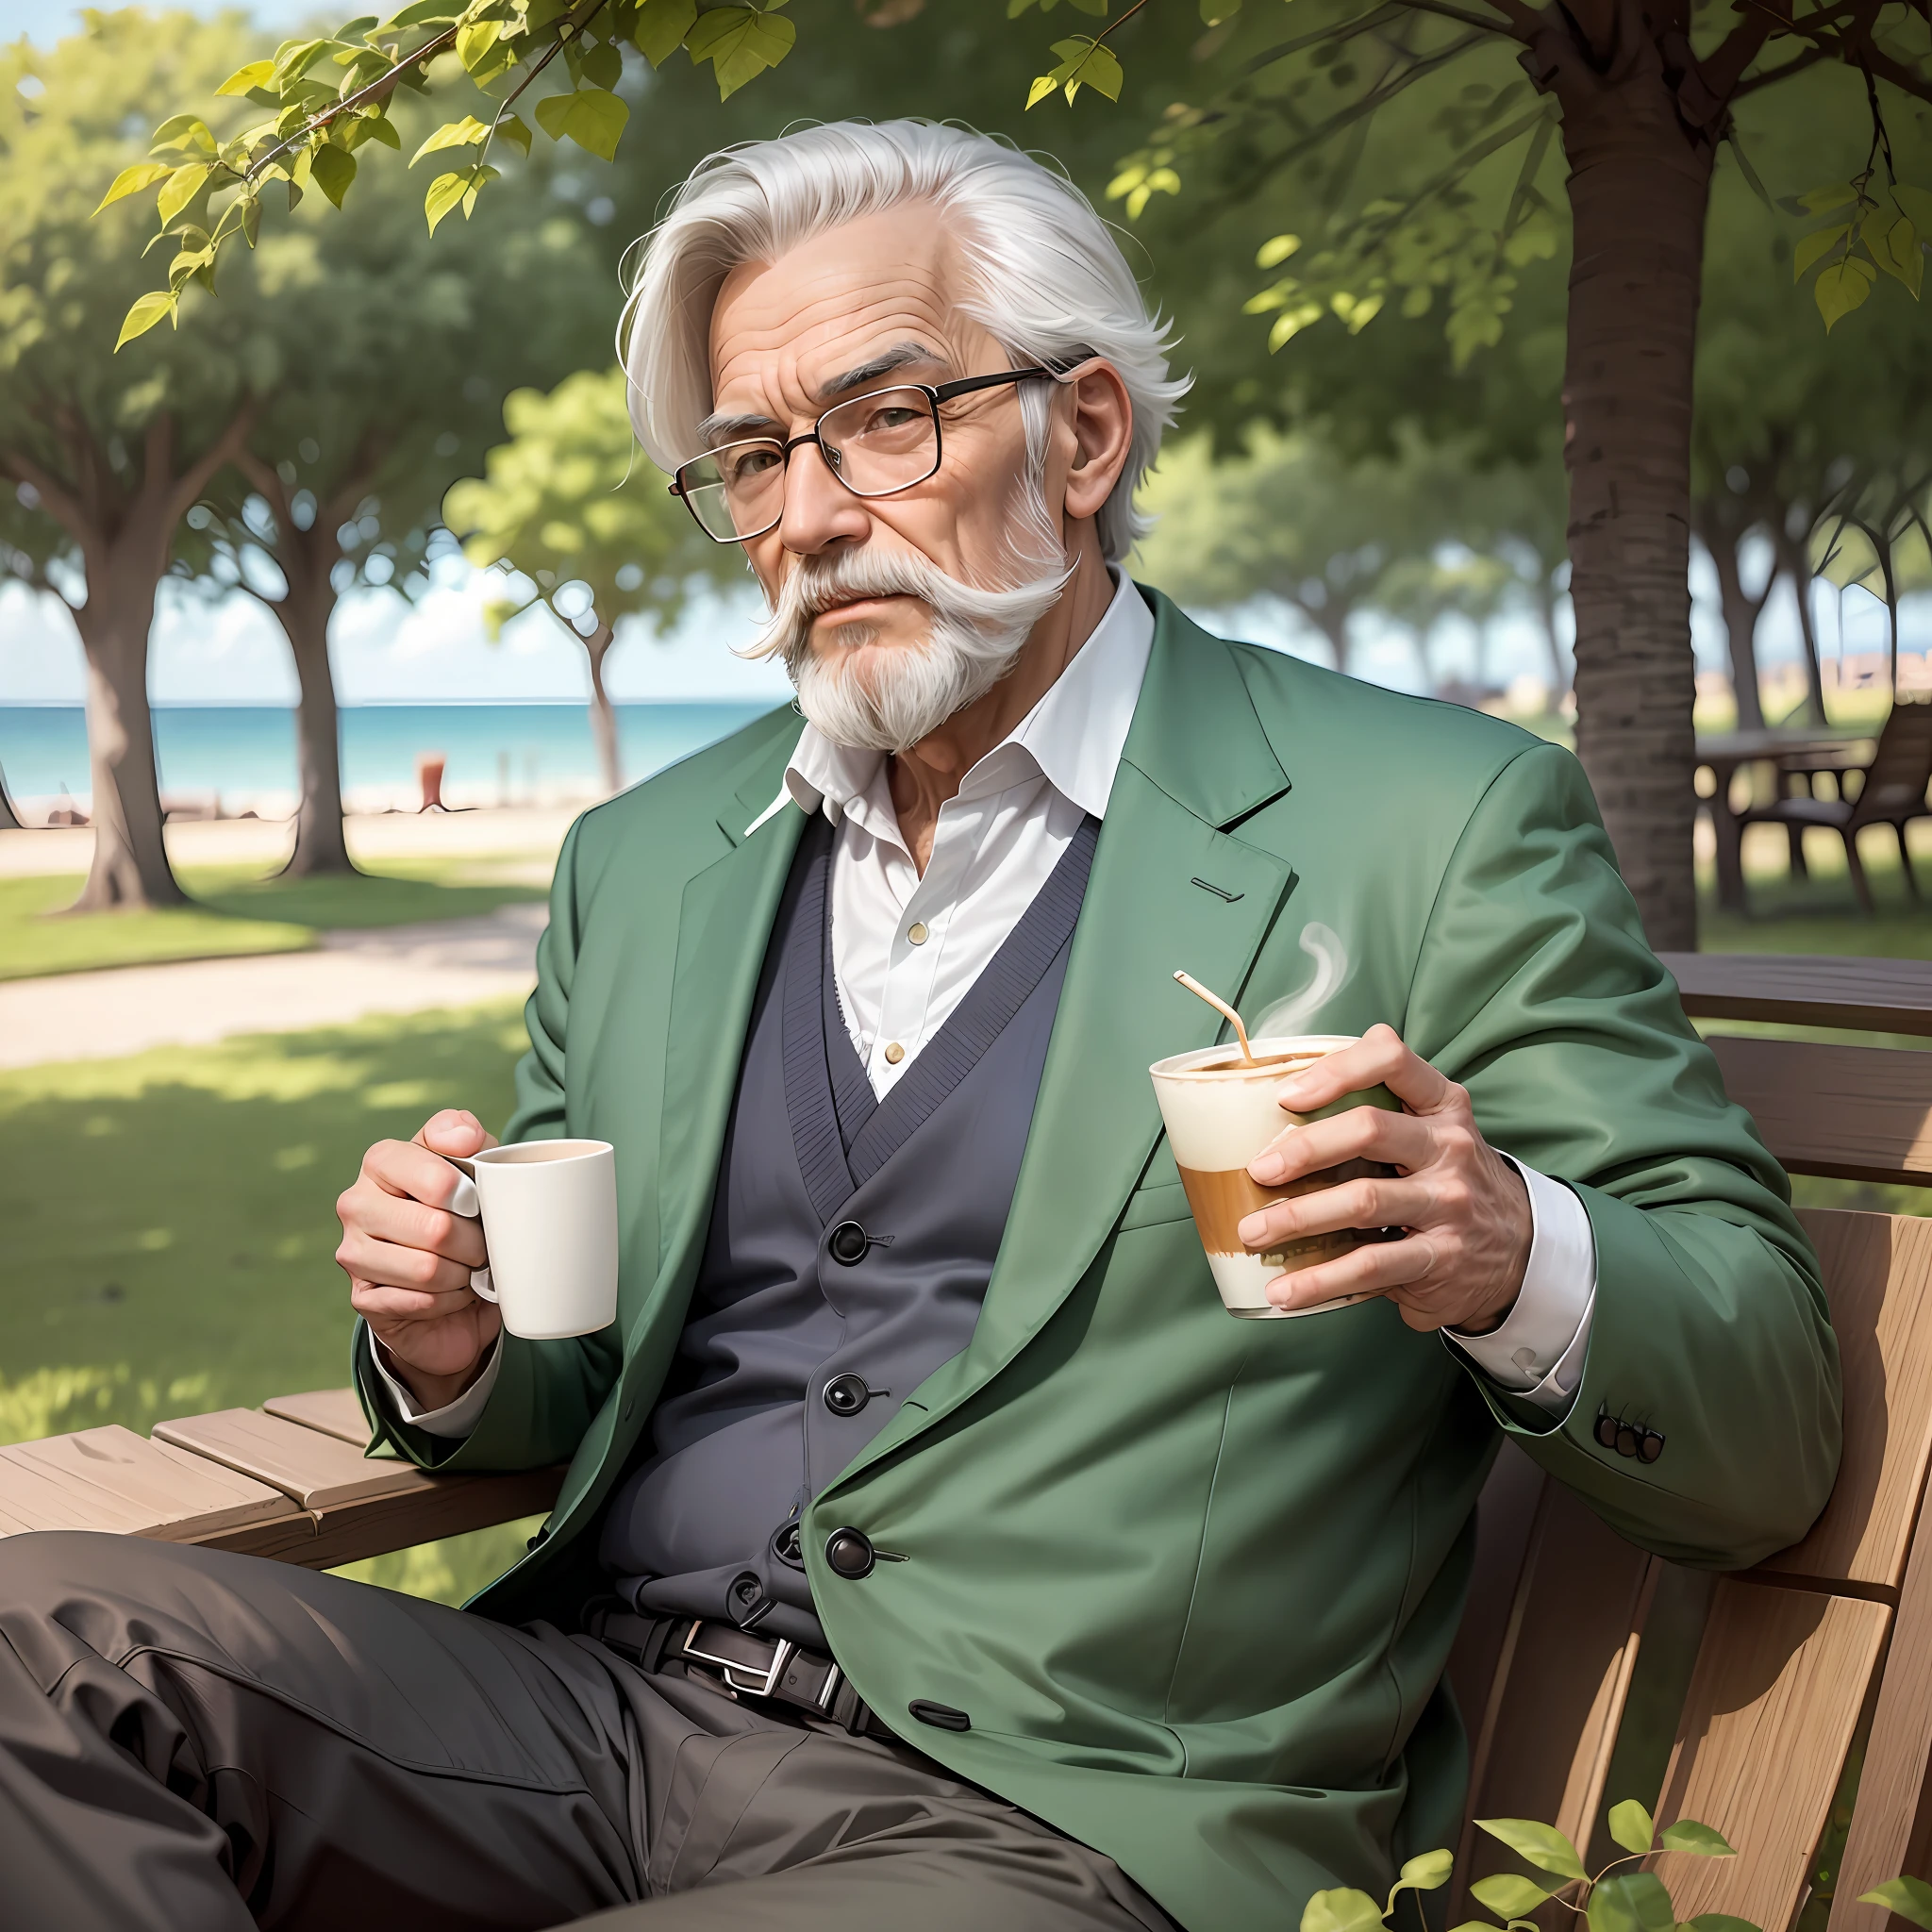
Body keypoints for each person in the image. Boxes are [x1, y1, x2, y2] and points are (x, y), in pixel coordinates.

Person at [0, 121, 1840, 1932]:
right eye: (748, 458)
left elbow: (1762, 1428)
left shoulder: (1429, 825)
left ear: (1084, 430)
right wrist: (456, 1343)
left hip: (1068, 1816)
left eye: (884, 421)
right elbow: (572, 1385)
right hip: (596, 1725)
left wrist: (1504, 1251)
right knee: (34, 1649)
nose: (806, 515)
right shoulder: (643, 861)